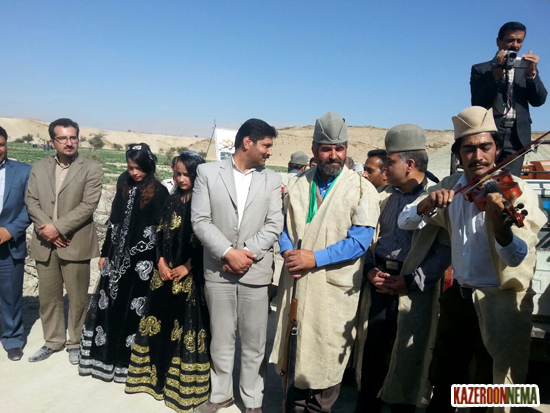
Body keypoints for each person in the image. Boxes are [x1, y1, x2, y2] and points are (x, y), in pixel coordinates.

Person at [398, 106, 546, 413]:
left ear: (495, 149)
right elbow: (404, 221)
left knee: (498, 389)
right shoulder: (452, 186)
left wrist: (502, 229)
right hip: (459, 301)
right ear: (458, 154)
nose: (478, 157)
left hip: (502, 304)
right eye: (469, 149)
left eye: (485, 147)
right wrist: (425, 203)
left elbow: (519, 258)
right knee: (446, 382)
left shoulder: (516, 192)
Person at [270, 111, 380, 412]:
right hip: (295, 285)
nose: (334, 155)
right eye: (327, 148)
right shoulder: (296, 184)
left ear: (346, 149)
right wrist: (287, 252)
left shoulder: (361, 189)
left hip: (332, 294)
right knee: (293, 361)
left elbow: (359, 241)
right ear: (314, 149)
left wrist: (313, 258)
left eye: (340, 148)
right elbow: (282, 227)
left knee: (326, 359)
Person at [355, 124, 451, 413]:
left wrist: (411, 281)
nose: (385, 168)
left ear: (409, 165)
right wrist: (370, 269)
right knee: (371, 360)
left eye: (391, 162)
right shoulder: (384, 196)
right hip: (378, 285)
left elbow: (445, 248)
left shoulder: (437, 198)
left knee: (407, 363)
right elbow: (369, 240)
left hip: (413, 292)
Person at [191, 119, 283, 413]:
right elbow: (200, 221)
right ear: (248, 143)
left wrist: (245, 253)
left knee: (255, 342)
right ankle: (220, 394)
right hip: (219, 271)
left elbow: (274, 224)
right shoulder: (207, 172)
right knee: (221, 337)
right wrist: (227, 253)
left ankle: (252, 399)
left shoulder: (272, 179)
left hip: (254, 271)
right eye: (266, 145)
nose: (269, 152)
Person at [126, 151, 210, 411]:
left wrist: (188, 266)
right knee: (159, 328)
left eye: (187, 174)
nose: (181, 179)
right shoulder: (171, 200)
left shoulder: (205, 204)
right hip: (163, 275)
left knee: (183, 329)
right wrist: (160, 261)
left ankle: (180, 387)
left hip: (190, 278)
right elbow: (160, 233)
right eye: (178, 173)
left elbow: (206, 242)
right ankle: (156, 380)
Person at [79, 143, 169, 382]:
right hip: (116, 261)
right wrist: (106, 253)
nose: (134, 172)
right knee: (109, 307)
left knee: (133, 311)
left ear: (149, 166)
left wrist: (159, 261)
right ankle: (103, 358)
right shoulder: (124, 183)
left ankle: (126, 365)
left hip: (142, 265)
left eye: (139, 168)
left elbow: (160, 232)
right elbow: (114, 220)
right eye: (131, 167)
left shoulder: (159, 192)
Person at [25, 118, 103, 364]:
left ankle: (75, 342)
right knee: (49, 297)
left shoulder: (91, 168)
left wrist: (57, 228)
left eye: (73, 137)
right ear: (52, 142)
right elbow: (31, 201)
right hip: (44, 242)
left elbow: (88, 205)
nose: (69, 143)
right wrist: (46, 230)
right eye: (63, 138)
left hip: (75, 241)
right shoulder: (38, 167)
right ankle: (53, 341)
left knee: (78, 297)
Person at [471, 21, 547, 176]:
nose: (515, 45)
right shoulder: (481, 69)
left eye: (519, 41)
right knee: (483, 180)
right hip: (490, 133)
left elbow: (538, 100)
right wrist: (495, 77)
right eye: (510, 40)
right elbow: (478, 103)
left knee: (509, 184)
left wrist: (532, 74)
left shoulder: (526, 68)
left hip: (516, 137)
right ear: (498, 42)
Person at [0, 126, 32, 361]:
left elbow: (30, 207)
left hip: (8, 247)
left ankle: (12, 338)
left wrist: (10, 230)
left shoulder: (23, 172)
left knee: (11, 295)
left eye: (1, 144)